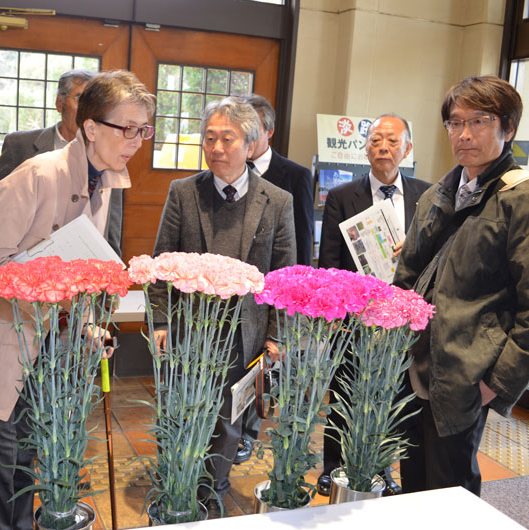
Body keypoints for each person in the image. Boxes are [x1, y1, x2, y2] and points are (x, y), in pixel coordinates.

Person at [0, 70, 156, 530]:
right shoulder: (36, 175)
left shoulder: (106, 180)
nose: (135, 141)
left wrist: (86, 322)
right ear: (91, 128)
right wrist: (49, 291)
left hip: (50, 352)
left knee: (27, 468)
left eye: (143, 130)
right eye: (125, 128)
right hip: (5, 347)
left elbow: (82, 263)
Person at [150, 97, 295, 518]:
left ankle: (211, 489)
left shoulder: (277, 201)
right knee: (181, 409)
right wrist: (160, 320)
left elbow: (282, 276)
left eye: (226, 139)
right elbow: (162, 262)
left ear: (250, 145)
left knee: (230, 418)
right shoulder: (183, 192)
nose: (215, 148)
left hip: (243, 332)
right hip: (189, 328)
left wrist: (276, 335)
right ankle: (176, 484)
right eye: (209, 138)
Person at [394, 76, 529, 495]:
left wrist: (496, 383)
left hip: (466, 373)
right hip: (413, 366)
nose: (464, 134)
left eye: (480, 121)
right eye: (455, 123)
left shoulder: (519, 199)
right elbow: (407, 277)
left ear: (508, 128)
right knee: (412, 480)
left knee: (449, 491)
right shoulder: (439, 192)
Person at [315, 113, 431, 496]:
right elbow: (330, 263)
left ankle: (379, 468)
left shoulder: (427, 197)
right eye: (376, 139)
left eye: (393, 140)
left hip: (402, 320)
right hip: (354, 318)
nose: (384, 147)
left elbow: (437, 257)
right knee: (345, 393)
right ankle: (334, 467)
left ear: (408, 149)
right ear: (365, 149)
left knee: (394, 394)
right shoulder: (342, 196)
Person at [235, 94, 315, 464]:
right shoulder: (229, 171)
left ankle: (248, 433)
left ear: (267, 131)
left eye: (249, 131)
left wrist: (293, 300)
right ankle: (232, 433)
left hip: (274, 290)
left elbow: (300, 239)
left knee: (264, 369)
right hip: (234, 291)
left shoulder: (295, 175)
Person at [0, 70, 124, 255]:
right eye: (80, 98)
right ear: (60, 103)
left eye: (96, 103)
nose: (89, 110)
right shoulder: (20, 146)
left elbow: (112, 227)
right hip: (29, 265)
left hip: (86, 266)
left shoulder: (110, 155)